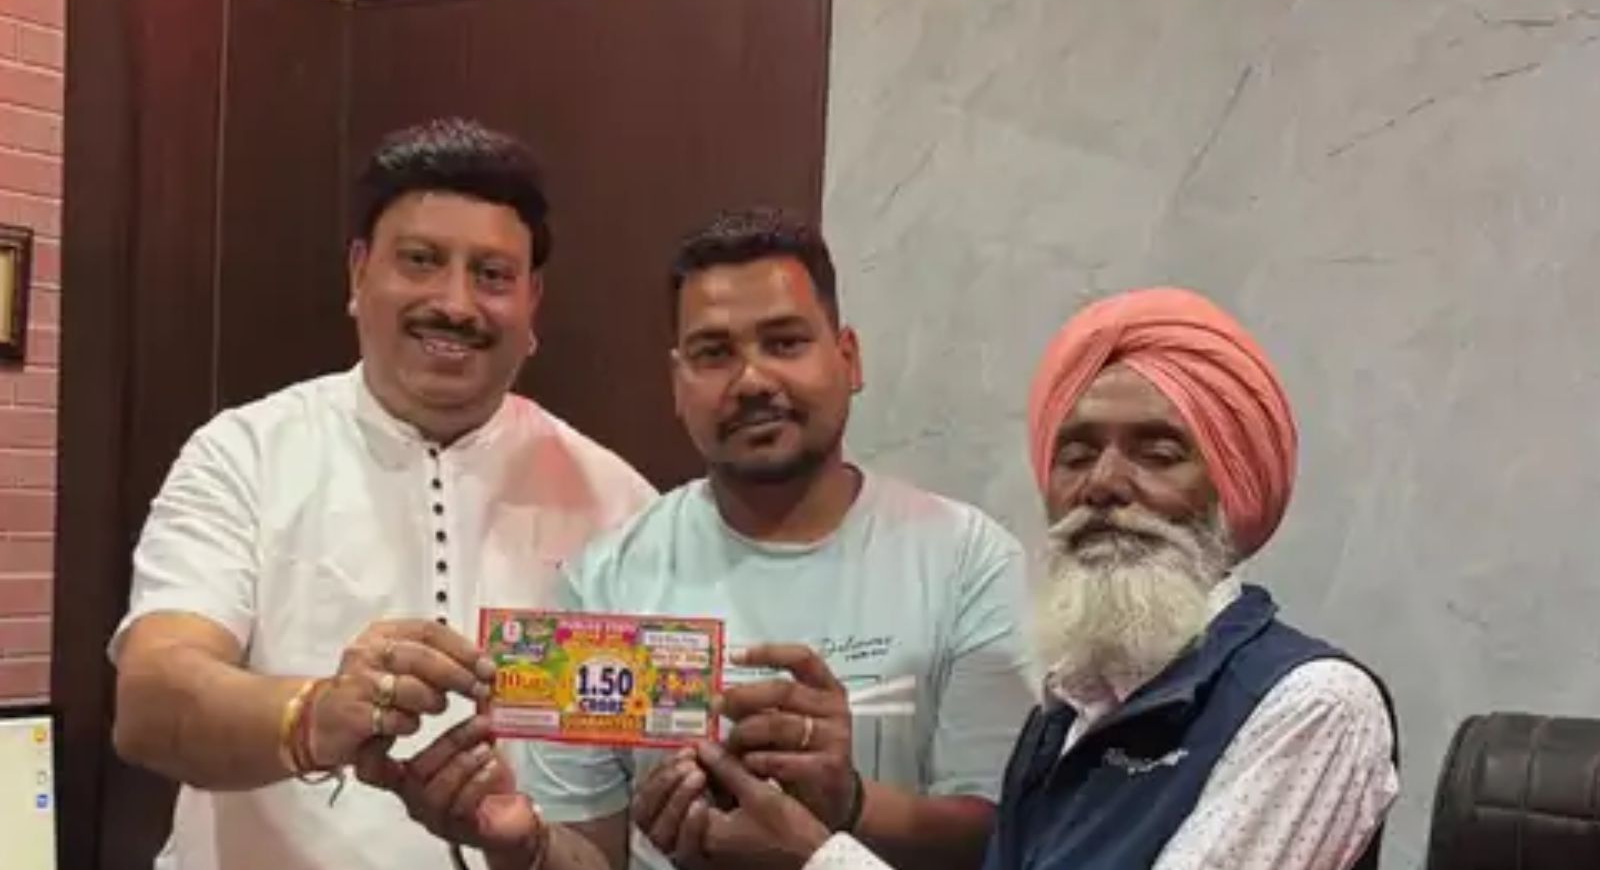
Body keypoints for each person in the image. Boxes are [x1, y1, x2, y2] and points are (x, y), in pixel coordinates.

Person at [386, 208, 1036, 870]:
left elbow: (1005, 837)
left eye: (785, 342)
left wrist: (848, 806)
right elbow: (589, 851)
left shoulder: (966, 559)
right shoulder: (603, 581)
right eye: (714, 353)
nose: (752, 380)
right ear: (677, 383)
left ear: (848, 358)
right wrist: (522, 848)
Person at [671, 286, 1401, 870]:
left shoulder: (1313, 706)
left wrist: (815, 858)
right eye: (1076, 455)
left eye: (1157, 454)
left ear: (1232, 488)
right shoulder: (1068, 710)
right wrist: (831, 814)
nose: (1103, 484)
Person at [109, 117, 656, 870]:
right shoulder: (245, 455)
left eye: (492, 275)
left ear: (533, 301)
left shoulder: (616, 503)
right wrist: (316, 715)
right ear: (359, 273)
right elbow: (152, 698)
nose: (456, 304)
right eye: (421, 261)